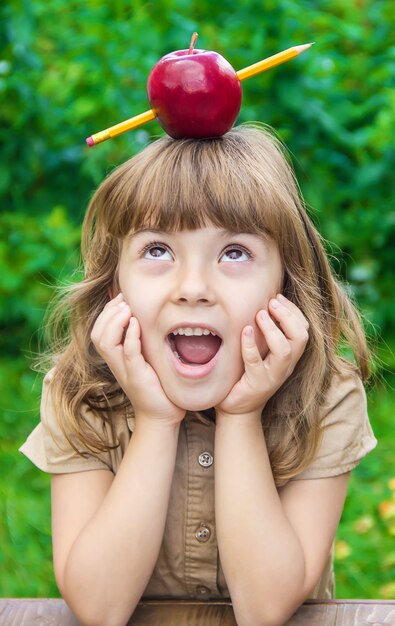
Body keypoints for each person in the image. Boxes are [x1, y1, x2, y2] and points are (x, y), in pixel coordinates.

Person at [20, 124, 376, 626]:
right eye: (158, 250)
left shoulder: (326, 394)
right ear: (113, 287)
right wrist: (155, 420)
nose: (193, 288)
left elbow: (265, 609)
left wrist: (241, 414)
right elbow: (99, 608)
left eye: (234, 253)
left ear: (286, 286)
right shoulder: (78, 392)